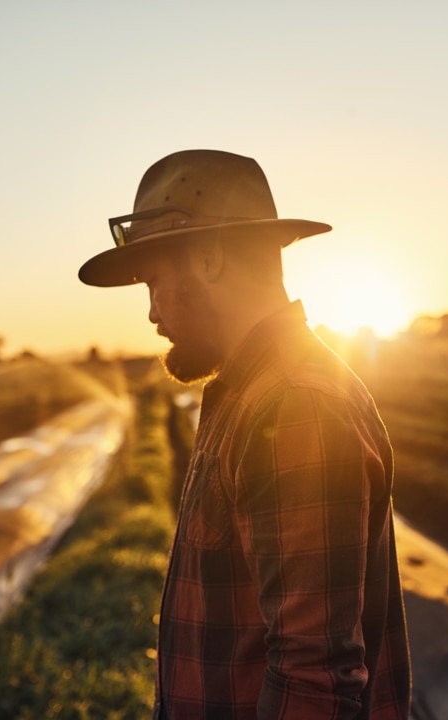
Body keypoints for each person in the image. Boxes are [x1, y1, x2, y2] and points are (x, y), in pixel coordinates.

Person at [79, 149, 411, 719]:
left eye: (153, 281)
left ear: (209, 256)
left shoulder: (295, 406)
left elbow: (313, 681)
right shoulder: (249, 394)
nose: (152, 313)